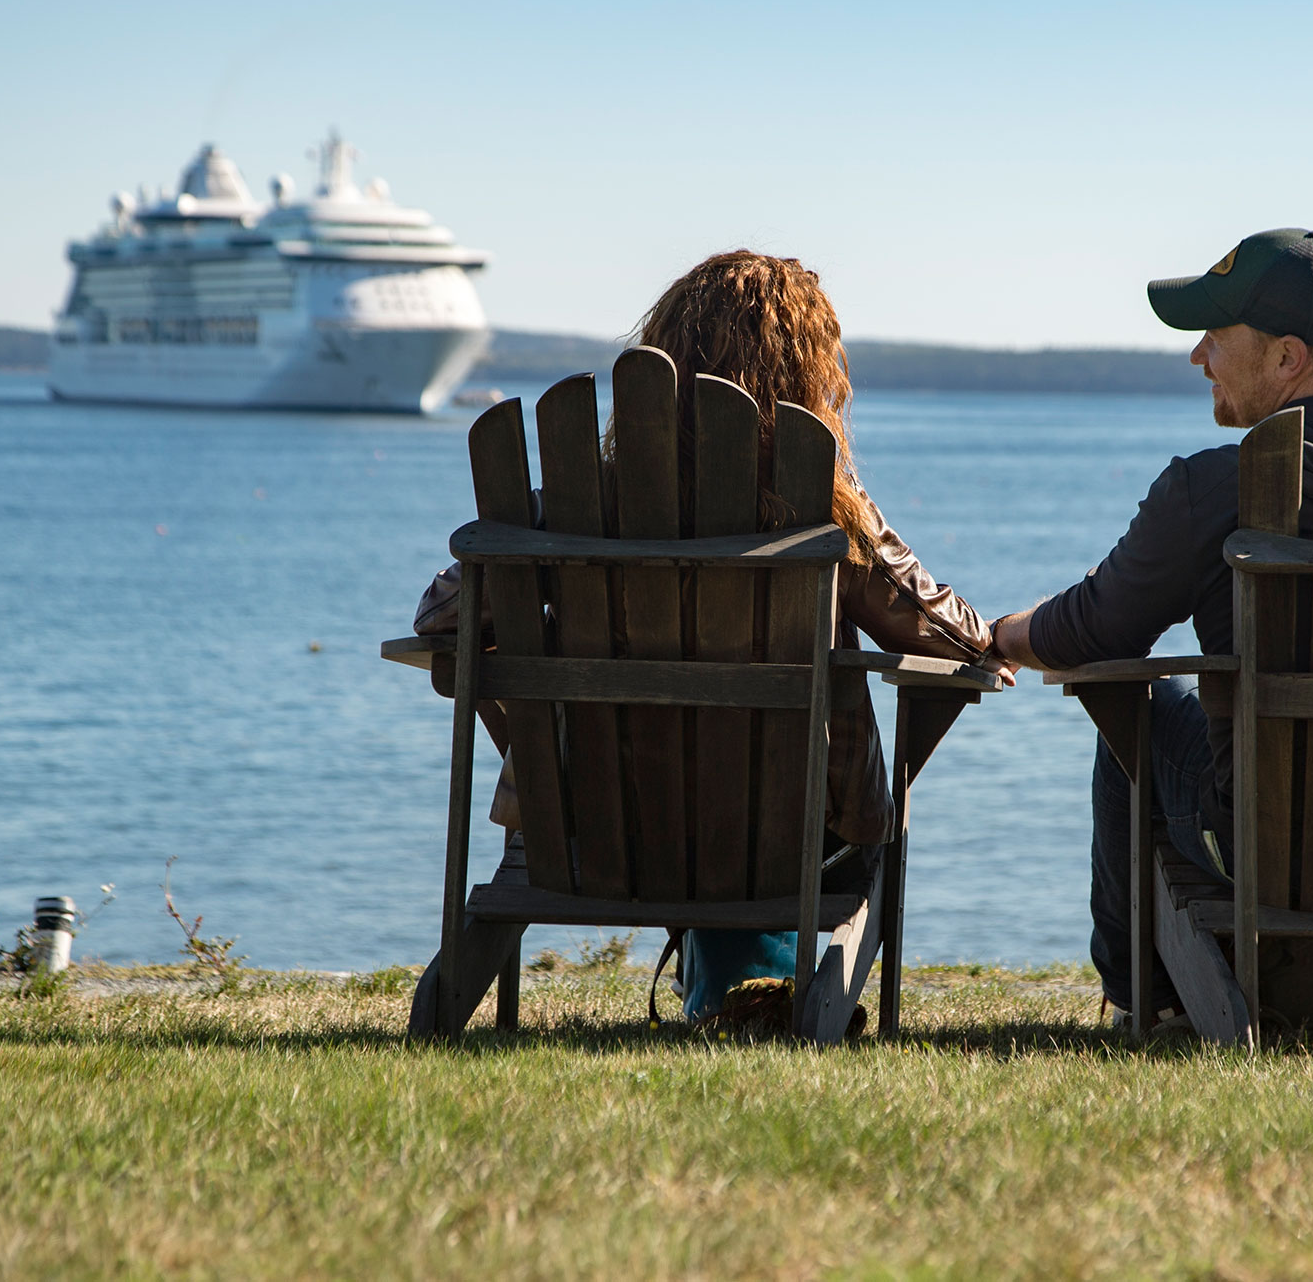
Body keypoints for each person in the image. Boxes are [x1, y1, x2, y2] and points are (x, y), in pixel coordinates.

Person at [415, 249, 1010, 1023]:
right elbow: (943, 633)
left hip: (594, 831)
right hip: (787, 845)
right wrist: (1000, 634)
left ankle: (730, 984)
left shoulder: (572, 503)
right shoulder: (822, 507)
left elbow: (438, 623)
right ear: (805, 373)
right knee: (831, 812)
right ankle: (765, 986)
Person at [989, 227, 1313, 1034]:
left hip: (1278, 851)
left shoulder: (1216, 489)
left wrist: (1002, 634)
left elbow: (1093, 630)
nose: (1197, 356)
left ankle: (1145, 999)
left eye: (1214, 336)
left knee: (1143, 711)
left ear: (1286, 358)